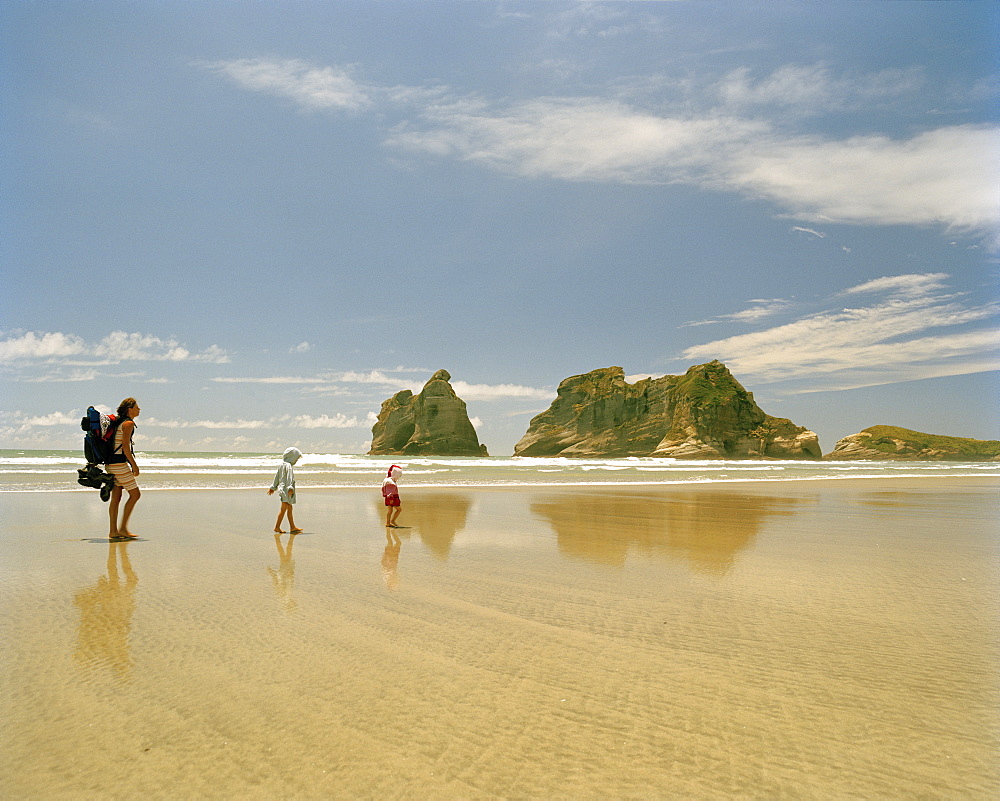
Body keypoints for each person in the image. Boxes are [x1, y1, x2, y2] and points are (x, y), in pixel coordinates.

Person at [107, 397, 141, 540]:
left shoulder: (119, 422)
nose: (139, 409)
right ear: (130, 409)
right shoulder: (128, 423)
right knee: (135, 494)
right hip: (119, 464)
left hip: (110, 462)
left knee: (116, 497)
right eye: (137, 407)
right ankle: (122, 529)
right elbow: (126, 447)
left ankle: (114, 531)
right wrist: (134, 465)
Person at [268, 447, 303, 534]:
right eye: (296, 458)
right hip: (287, 490)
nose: (296, 460)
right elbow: (290, 478)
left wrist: (273, 487)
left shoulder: (281, 465)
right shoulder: (288, 466)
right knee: (284, 509)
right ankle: (277, 527)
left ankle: (292, 527)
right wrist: (290, 488)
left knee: (289, 508)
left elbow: (276, 477)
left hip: (282, 489)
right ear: (292, 457)